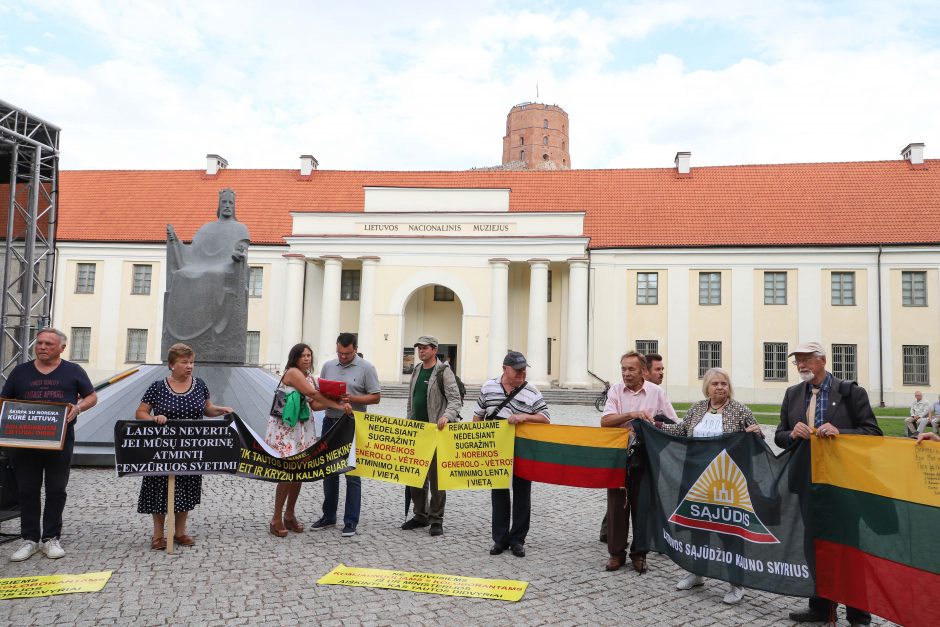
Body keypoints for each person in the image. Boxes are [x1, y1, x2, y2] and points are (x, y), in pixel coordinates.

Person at [775, 342, 882, 626]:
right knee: (815, 546)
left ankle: (858, 613)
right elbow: (779, 436)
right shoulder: (793, 393)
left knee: (849, 549)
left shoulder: (850, 392)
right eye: (797, 361)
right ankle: (820, 606)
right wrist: (791, 434)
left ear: (822, 360)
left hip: (843, 485)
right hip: (808, 483)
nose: (801, 365)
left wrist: (841, 432)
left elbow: (872, 433)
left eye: (806, 360)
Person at [661, 367, 762, 605]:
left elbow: (757, 440)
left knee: (729, 532)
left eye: (724, 384)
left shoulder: (739, 410)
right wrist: (655, 425)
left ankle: (736, 583)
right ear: (707, 387)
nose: (720, 388)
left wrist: (756, 434)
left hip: (726, 482)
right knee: (698, 528)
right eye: (715, 383)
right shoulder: (698, 407)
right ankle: (697, 572)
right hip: (697, 479)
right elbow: (681, 430)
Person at [4, 328, 97, 562]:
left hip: (60, 441)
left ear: (62, 348)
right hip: (25, 442)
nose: (42, 347)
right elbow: (5, 400)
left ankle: (51, 538)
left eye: (48, 344)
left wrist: (77, 408)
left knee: (56, 489)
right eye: (40, 343)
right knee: (27, 490)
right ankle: (30, 539)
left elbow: (91, 397)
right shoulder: (20, 372)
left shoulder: (73, 371)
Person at [134, 343, 233, 550]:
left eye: (191, 362)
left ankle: (180, 532)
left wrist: (220, 410)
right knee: (158, 489)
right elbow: (140, 413)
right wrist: (154, 418)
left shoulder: (200, 384)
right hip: (163, 450)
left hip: (190, 449)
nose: (189, 366)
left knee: (186, 488)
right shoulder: (158, 386)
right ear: (172, 365)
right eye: (184, 362)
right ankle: (158, 535)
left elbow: (207, 409)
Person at [600, 351, 679, 574]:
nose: (626, 373)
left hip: (646, 455)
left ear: (643, 370)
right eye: (623, 369)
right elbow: (605, 421)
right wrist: (632, 415)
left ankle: (639, 554)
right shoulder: (615, 390)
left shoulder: (656, 393)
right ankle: (616, 553)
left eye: (631, 369)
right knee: (616, 506)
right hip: (617, 456)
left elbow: (673, 423)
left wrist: (654, 425)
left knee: (643, 506)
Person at [265, 343, 350, 538]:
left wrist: (339, 402)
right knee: (287, 473)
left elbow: (315, 404)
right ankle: (276, 518)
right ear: (294, 358)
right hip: (287, 428)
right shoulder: (293, 373)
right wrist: (336, 403)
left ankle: (289, 514)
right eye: (302, 355)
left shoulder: (309, 377)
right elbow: (312, 394)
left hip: (302, 429)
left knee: (299, 473)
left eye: (309, 355)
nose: (306, 358)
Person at [474, 351, 550, 558]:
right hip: (496, 448)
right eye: (517, 370)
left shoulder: (532, 391)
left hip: (523, 449)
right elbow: (478, 416)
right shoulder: (488, 387)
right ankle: (500, 539)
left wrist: (524, 417)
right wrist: (477, 444)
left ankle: (518, 539)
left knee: (522, 494)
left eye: (524, 370)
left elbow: (545, 418)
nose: (522, 374)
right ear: (504, 369)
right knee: (498, 494)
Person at [164, 188, 250, 361]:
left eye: (230, 203)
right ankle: (181, 329)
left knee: (214, 274)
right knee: (181, 275)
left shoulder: (240, 229)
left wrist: (237, 255)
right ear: (219, 205)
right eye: (224, 202)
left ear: (234, 207)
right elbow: (192, 253)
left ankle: (214, 330)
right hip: (199, 264)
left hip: (226, 265)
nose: (227, 206)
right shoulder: (206, 228)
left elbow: (242, 249)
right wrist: (175, 242)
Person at [312, 332, 381, 537]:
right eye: (340, 353)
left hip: (353, 423)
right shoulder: (328, 366)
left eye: (347, 353)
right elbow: (320, 395)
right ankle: (328, 515)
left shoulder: (367, 368)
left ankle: (350, 520)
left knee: (352, 474)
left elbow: (376, 397)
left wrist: (354, 398)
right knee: (329, 472)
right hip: (330, 421)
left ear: (355, 349)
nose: (343, 357)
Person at [401, 335, 462, 536]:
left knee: (437, 479)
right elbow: (411, 399)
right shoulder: (417, 369)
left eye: (425, 348)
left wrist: (446, 416)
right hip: (418, 433)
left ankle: (436, 518)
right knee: (415, 476)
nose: (421, 351)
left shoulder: (443, 371)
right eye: (419, 348)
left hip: (436, 431)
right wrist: (409, 420)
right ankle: (420, 515)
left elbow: (455, 400)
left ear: (434, 350)